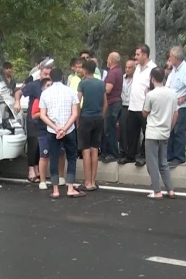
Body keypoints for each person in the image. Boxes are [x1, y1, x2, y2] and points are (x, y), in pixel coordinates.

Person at [39, 67, 84, 199]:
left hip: (53, 131)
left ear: (51, 78)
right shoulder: (71, 91)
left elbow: (43, 115)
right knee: (71, 157)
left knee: (53, 157)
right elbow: (75, 113)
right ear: (63, 77)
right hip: (68, 130)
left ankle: (55, 189)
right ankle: (70, 187)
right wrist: (64, 128)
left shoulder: (45, 93)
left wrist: (56, 128)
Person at [14, 61, 53, 183]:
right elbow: (18, 92)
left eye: (48, 74)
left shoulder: (51, 87)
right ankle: (31, 170)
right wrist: (17, 102)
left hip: (46, 120)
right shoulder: (33, 85)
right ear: (40, 74)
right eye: (44, 74)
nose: (46, 76)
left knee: (42, 146)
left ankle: (38, 169)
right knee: (33, 144)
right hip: (34, 119)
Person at [143, 68, 178, 200]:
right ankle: (170, 189)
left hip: (152, 132)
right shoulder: (172, 94)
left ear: (152, 78)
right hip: (165, 132)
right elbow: (176, 113)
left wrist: (146, 94)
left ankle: (157, 191)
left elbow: (145, 113)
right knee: (163, 162)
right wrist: (169, 128)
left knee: (152, 163)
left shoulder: (150, 95)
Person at [165, 46, 186, 168]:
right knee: (171, 131)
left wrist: (184, 97)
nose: (169, 58)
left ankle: (179, 158)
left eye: (170, 56)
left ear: (175, 57)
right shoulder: (174, 70)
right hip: (173, 106)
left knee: (179, 130)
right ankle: (170, 157)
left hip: (182, 106)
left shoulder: (185, 70)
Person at [123, 44, 157, 167]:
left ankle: (143, 156)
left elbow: (154, 87)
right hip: (133, 106)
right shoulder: (137, 68)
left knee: (146, 132)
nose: (135, 57)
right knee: (131, 133)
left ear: (145, 55)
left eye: (138, 54)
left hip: (144, 107)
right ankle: (130, 155)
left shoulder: (153, 68)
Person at [76, 60, 107, 191]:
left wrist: (77, 119)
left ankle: (87, 182)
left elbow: (77, 102)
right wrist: (101, 115)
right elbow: (106, 103)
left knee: (86, 150)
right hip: (98, 118)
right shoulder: (101, 83)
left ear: (85, 70)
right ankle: (93, 182)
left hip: (86, 118)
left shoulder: (82, 83)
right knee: (95, 149)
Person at [30, 78, 58, 190]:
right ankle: (42, 180)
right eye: (47, 85)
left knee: (58, 154)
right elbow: (33, 115)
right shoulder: (38, 99)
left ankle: (57, 178)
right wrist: (43, 113)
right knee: (44, 155)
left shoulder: (57, 99)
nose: (50, 87)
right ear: (42, 88)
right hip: (44, 131)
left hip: (56, 130)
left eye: (51, 84)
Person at [102, 52, 123, 163]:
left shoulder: (112, 73)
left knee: (109, 129)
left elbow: (108, 89)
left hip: (111, 103)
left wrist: (99, 89)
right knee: (112, 128)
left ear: (111, 60)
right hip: (116, 102)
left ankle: (112, 153)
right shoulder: (119, 71)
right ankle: (112, 152)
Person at [118, 59, 135, 159]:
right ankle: (123, 151)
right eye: (126, 67)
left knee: (132, 130)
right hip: (123, 105)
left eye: (130, 67)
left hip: (133, 106)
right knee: (123, 129)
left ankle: (132, 152)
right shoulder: (122, 78)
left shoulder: (137, 79)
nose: (127, 69)